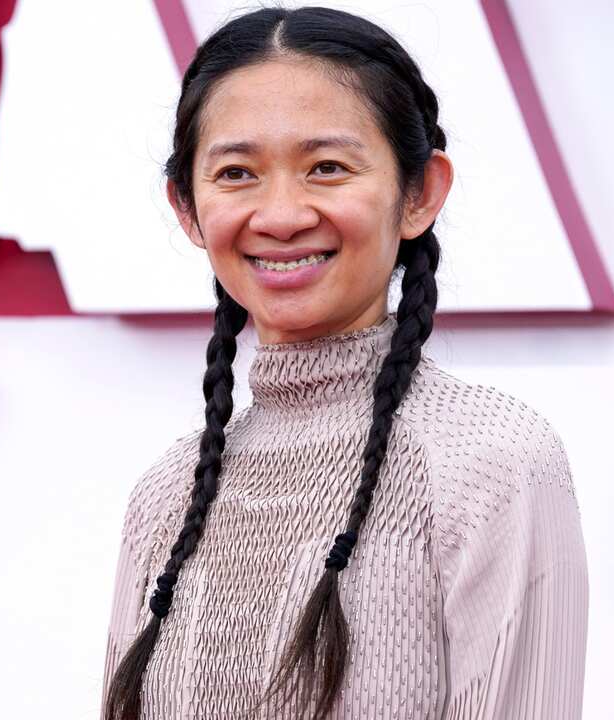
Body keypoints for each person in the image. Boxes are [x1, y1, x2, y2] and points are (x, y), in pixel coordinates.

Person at [99, 6, 588, 719]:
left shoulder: (493, 464)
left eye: (327, 167)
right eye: (237, 173)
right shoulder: (165, 499)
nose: (283, 213)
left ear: (419, 193)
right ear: (188, 208)